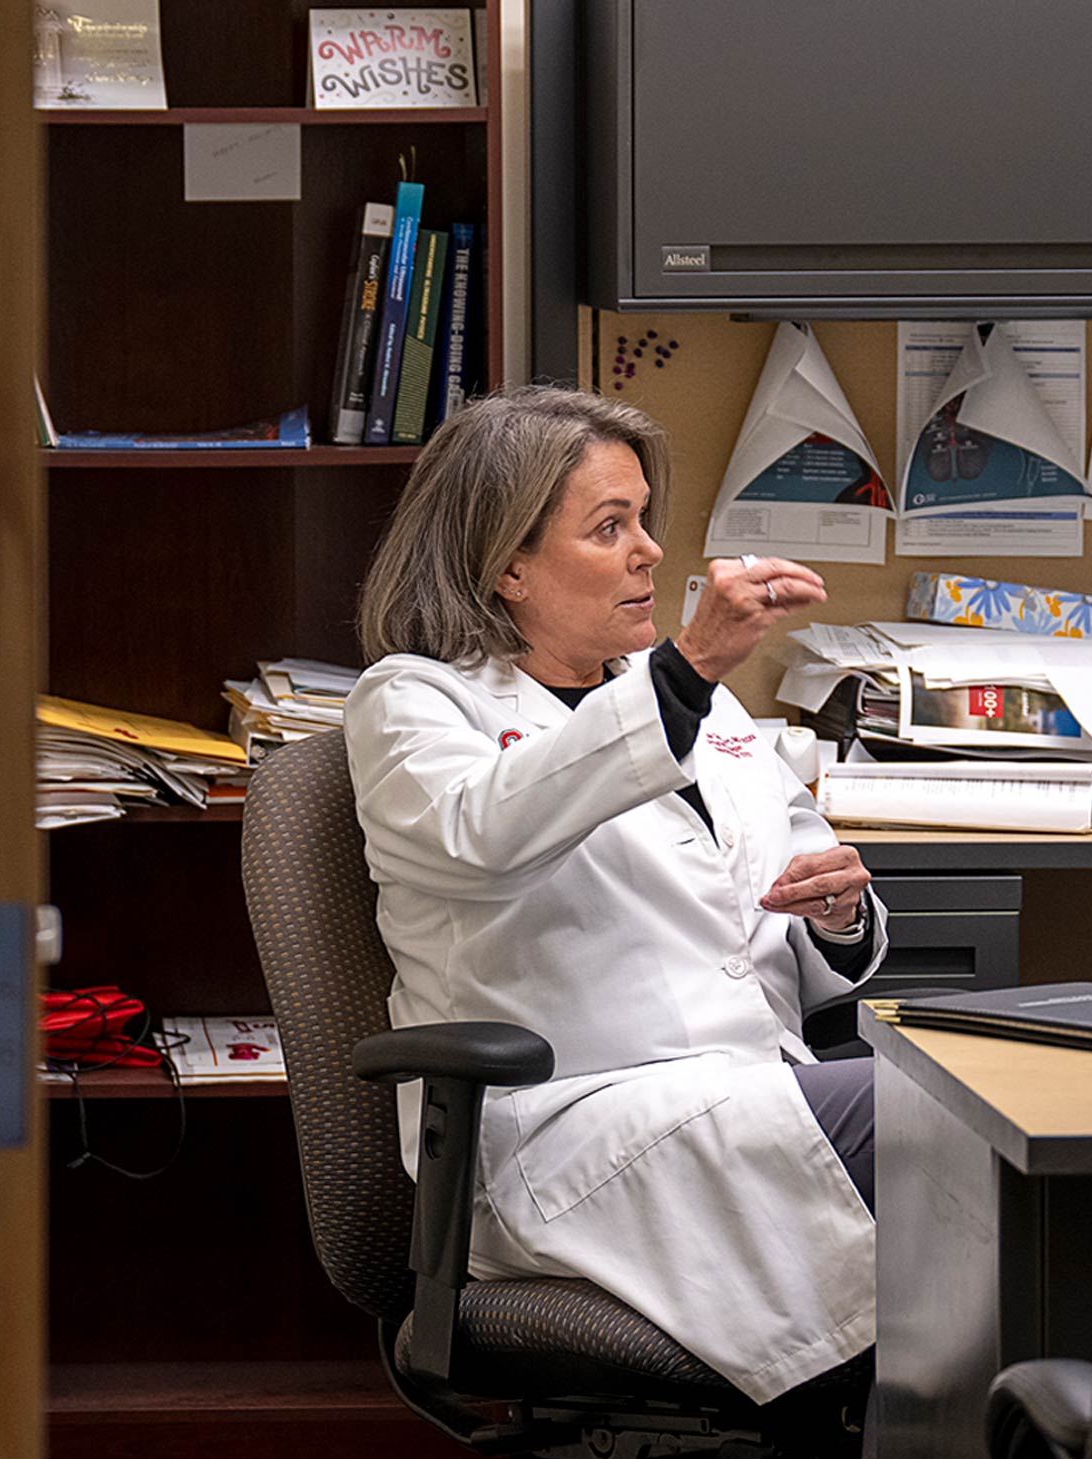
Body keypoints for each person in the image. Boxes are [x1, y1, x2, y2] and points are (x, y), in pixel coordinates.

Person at [343, 384, 884, 1406]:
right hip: (565, 1132)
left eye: (643, 520)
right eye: (608, 527)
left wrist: (838, 914)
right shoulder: (414, 703)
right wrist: (683, 669)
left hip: (747, 1094)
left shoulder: (701, 708)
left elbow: (800, 880)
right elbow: (486, 834)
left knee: (991, 1118)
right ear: (504, 563)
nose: (647, 551)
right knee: (948, 1124)